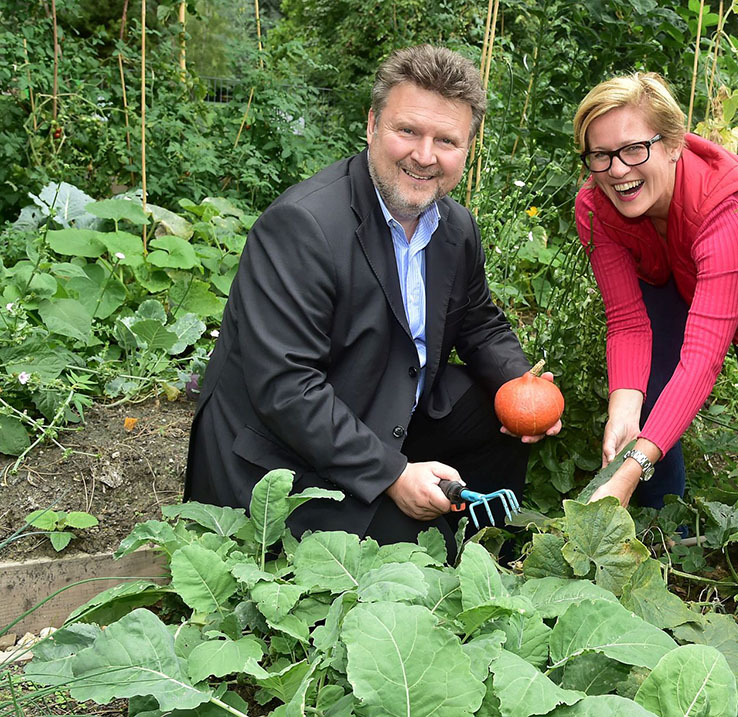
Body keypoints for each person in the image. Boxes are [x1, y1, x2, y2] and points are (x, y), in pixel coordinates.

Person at [186, 45, 559, 551]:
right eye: (408, 131)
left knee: (492, 412)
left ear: (467, 148)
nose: (424, 156)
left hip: (379, 408)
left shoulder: (455, 228)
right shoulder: (303, 226)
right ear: (372, 126)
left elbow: (478, 322)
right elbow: (287, 388)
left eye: (446, 140)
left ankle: (491, 546)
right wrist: (392, 474)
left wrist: (521, 388)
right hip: (284, 457)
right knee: (419, 562)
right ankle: (436, 540)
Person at [574, 72, 738, 509]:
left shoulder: (731, 206)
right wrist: (623, 411)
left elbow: (702, 358)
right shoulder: (596, 206)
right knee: (648, 384)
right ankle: (665, 525)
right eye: (600, 155)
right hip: (671, 263)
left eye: (634, 149)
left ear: (673, 144)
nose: (617, 170)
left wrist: (632, 467)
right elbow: (626, 322)